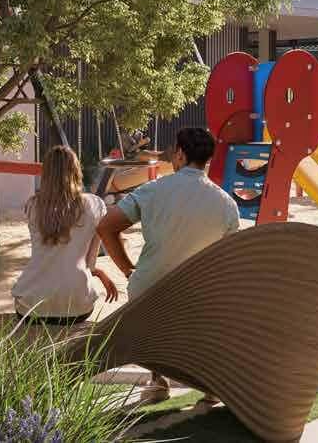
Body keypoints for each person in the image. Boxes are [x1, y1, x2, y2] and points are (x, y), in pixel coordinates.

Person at [96, 127, 239, 404]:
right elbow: (229, 260)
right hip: (196, 298)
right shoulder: (226, 204)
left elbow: (106, 227)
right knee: (212, 299)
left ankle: (157, 379)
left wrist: (128, 270)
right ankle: (208, 384)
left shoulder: (153, 189)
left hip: (149, 291)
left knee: (148, 295)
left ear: (181, 155)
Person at [12, 145, 119, 324]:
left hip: (31, 306)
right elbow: (89, 262)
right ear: (76, 170)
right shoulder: (94, 205)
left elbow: (48, 257)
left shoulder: (32, 206)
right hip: (77, 305)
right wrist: (98, 273)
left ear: (45, 173)